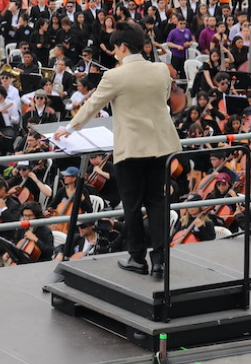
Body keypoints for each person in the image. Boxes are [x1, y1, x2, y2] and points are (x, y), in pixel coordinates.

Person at [55, 22, 181, 278]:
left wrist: (69, 128)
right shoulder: (161, 70)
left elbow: (92, 105)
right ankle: (160, 261)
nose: (113, 53)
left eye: (114, 48)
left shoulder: (115, 75)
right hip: (160, 145)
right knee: (157, 202)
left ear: (123, 47)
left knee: (132, 206)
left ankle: (137, 258)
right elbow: (165, 99)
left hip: (131, 148)